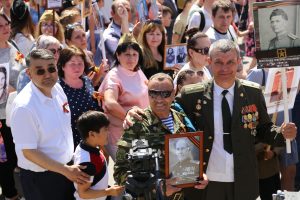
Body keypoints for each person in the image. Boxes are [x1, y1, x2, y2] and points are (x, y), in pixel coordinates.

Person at [124, 39, 297, 200]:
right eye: (218, 62)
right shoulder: (192, 95)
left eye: (230, 62)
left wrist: (281, 132)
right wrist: (135, 113)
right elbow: (164, 111)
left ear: (238, 62)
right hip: (205, 182)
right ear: (209, 62)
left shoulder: (253, 93)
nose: (224, 68)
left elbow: (264, 129)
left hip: (243, 180)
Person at [10, 49, 90, 200]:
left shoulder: (57, 88)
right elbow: (29, 152)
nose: (47, 74)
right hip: (42, 179)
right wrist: (65, 170)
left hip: (66, 170)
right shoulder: (24, 107)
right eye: (40, 71)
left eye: (51, 68)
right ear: (29, 73)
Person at [114, 73, 208, 200]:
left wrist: (198, 175)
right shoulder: (137, 123)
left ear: (174, 93)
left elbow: (189, 157)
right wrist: (157, 187)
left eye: (165, 94)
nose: (159, 99)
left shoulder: (181, 119)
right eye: (153, 93)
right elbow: (120, 172)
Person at [98, 33, 149, 161]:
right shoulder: (114, 76)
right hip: (121, 137)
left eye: (134, 54)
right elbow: (109, 103)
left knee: (142, 173)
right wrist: (128, 116)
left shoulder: (137, 70)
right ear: (118, 55)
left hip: (141, 133)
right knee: (129, 176)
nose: (131, 58)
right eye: (127, 54)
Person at [57, 46, 102, 148]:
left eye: (80, 63)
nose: (77, 67)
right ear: (63, 66)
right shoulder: (57, 88)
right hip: (70, 142)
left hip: (93, 139)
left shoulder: (87, 81)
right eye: (72, 64)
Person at [73, 110, 124, 200]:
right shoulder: (87, 163)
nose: (108, 132)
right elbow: (83, 193)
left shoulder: (87, 145)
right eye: (105, 130)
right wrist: (109, 191)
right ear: (92, 134)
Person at [0, 11, 24, 200]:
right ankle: (10, 194)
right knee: (4, 159)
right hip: (0, 116)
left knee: (16, 155)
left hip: (16, 111)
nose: (6, 29)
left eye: (7, 24)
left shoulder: (14, 47)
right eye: (0, 26)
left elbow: (23, 72)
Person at [103, 0, 131, 66]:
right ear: (112, 13)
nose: (125, 12)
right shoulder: (108, 35)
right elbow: (123, 55)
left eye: (127, 9)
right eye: (121, 9)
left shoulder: (133, 27)